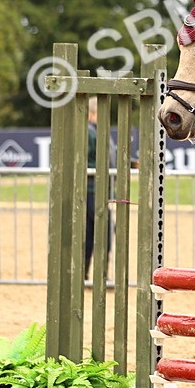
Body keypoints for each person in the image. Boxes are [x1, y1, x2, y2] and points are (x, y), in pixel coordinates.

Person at [84, 98, 114, 280]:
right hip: (92, 190)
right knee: (101, 234)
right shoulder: (89, 132)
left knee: (99, 233)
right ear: (93, 113)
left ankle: (93, 275)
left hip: (100, 190)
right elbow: (84, 159)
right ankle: (97, 275)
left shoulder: (99, 131)